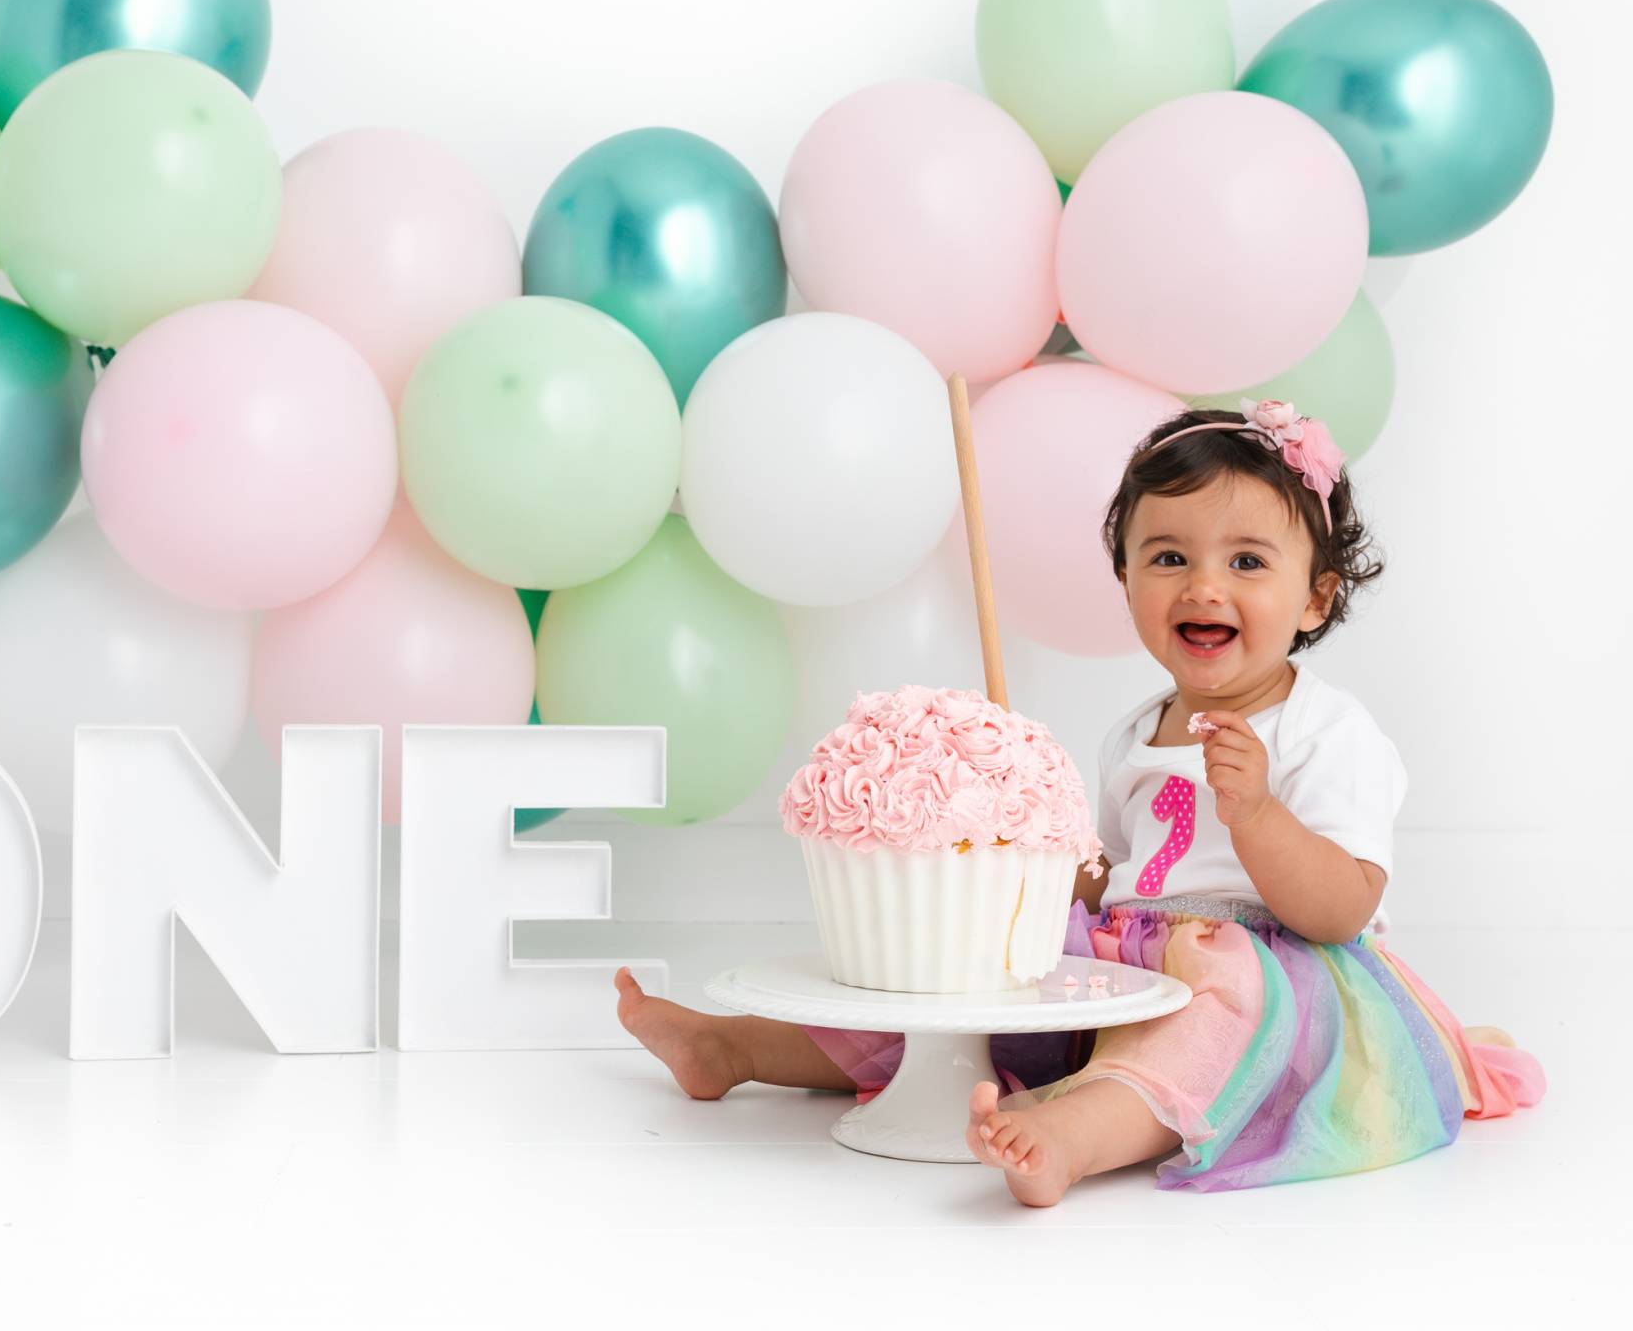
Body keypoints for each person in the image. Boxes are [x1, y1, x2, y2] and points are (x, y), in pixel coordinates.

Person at [613, 398, 1545, 1206]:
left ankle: (1072, 1140)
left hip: (1269, 978)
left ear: (1316, 598)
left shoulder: (1324, 732)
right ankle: (735, 1049)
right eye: (1168, 555)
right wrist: (1050, 848)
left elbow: (1341, 909)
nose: (1204, 585)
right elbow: (1109, 885)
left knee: (1194, 1028)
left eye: (1250, 563)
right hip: (1130, 956)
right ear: (1129, 581)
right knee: (972, 981)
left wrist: (1257, 815)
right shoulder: (1135, 732)